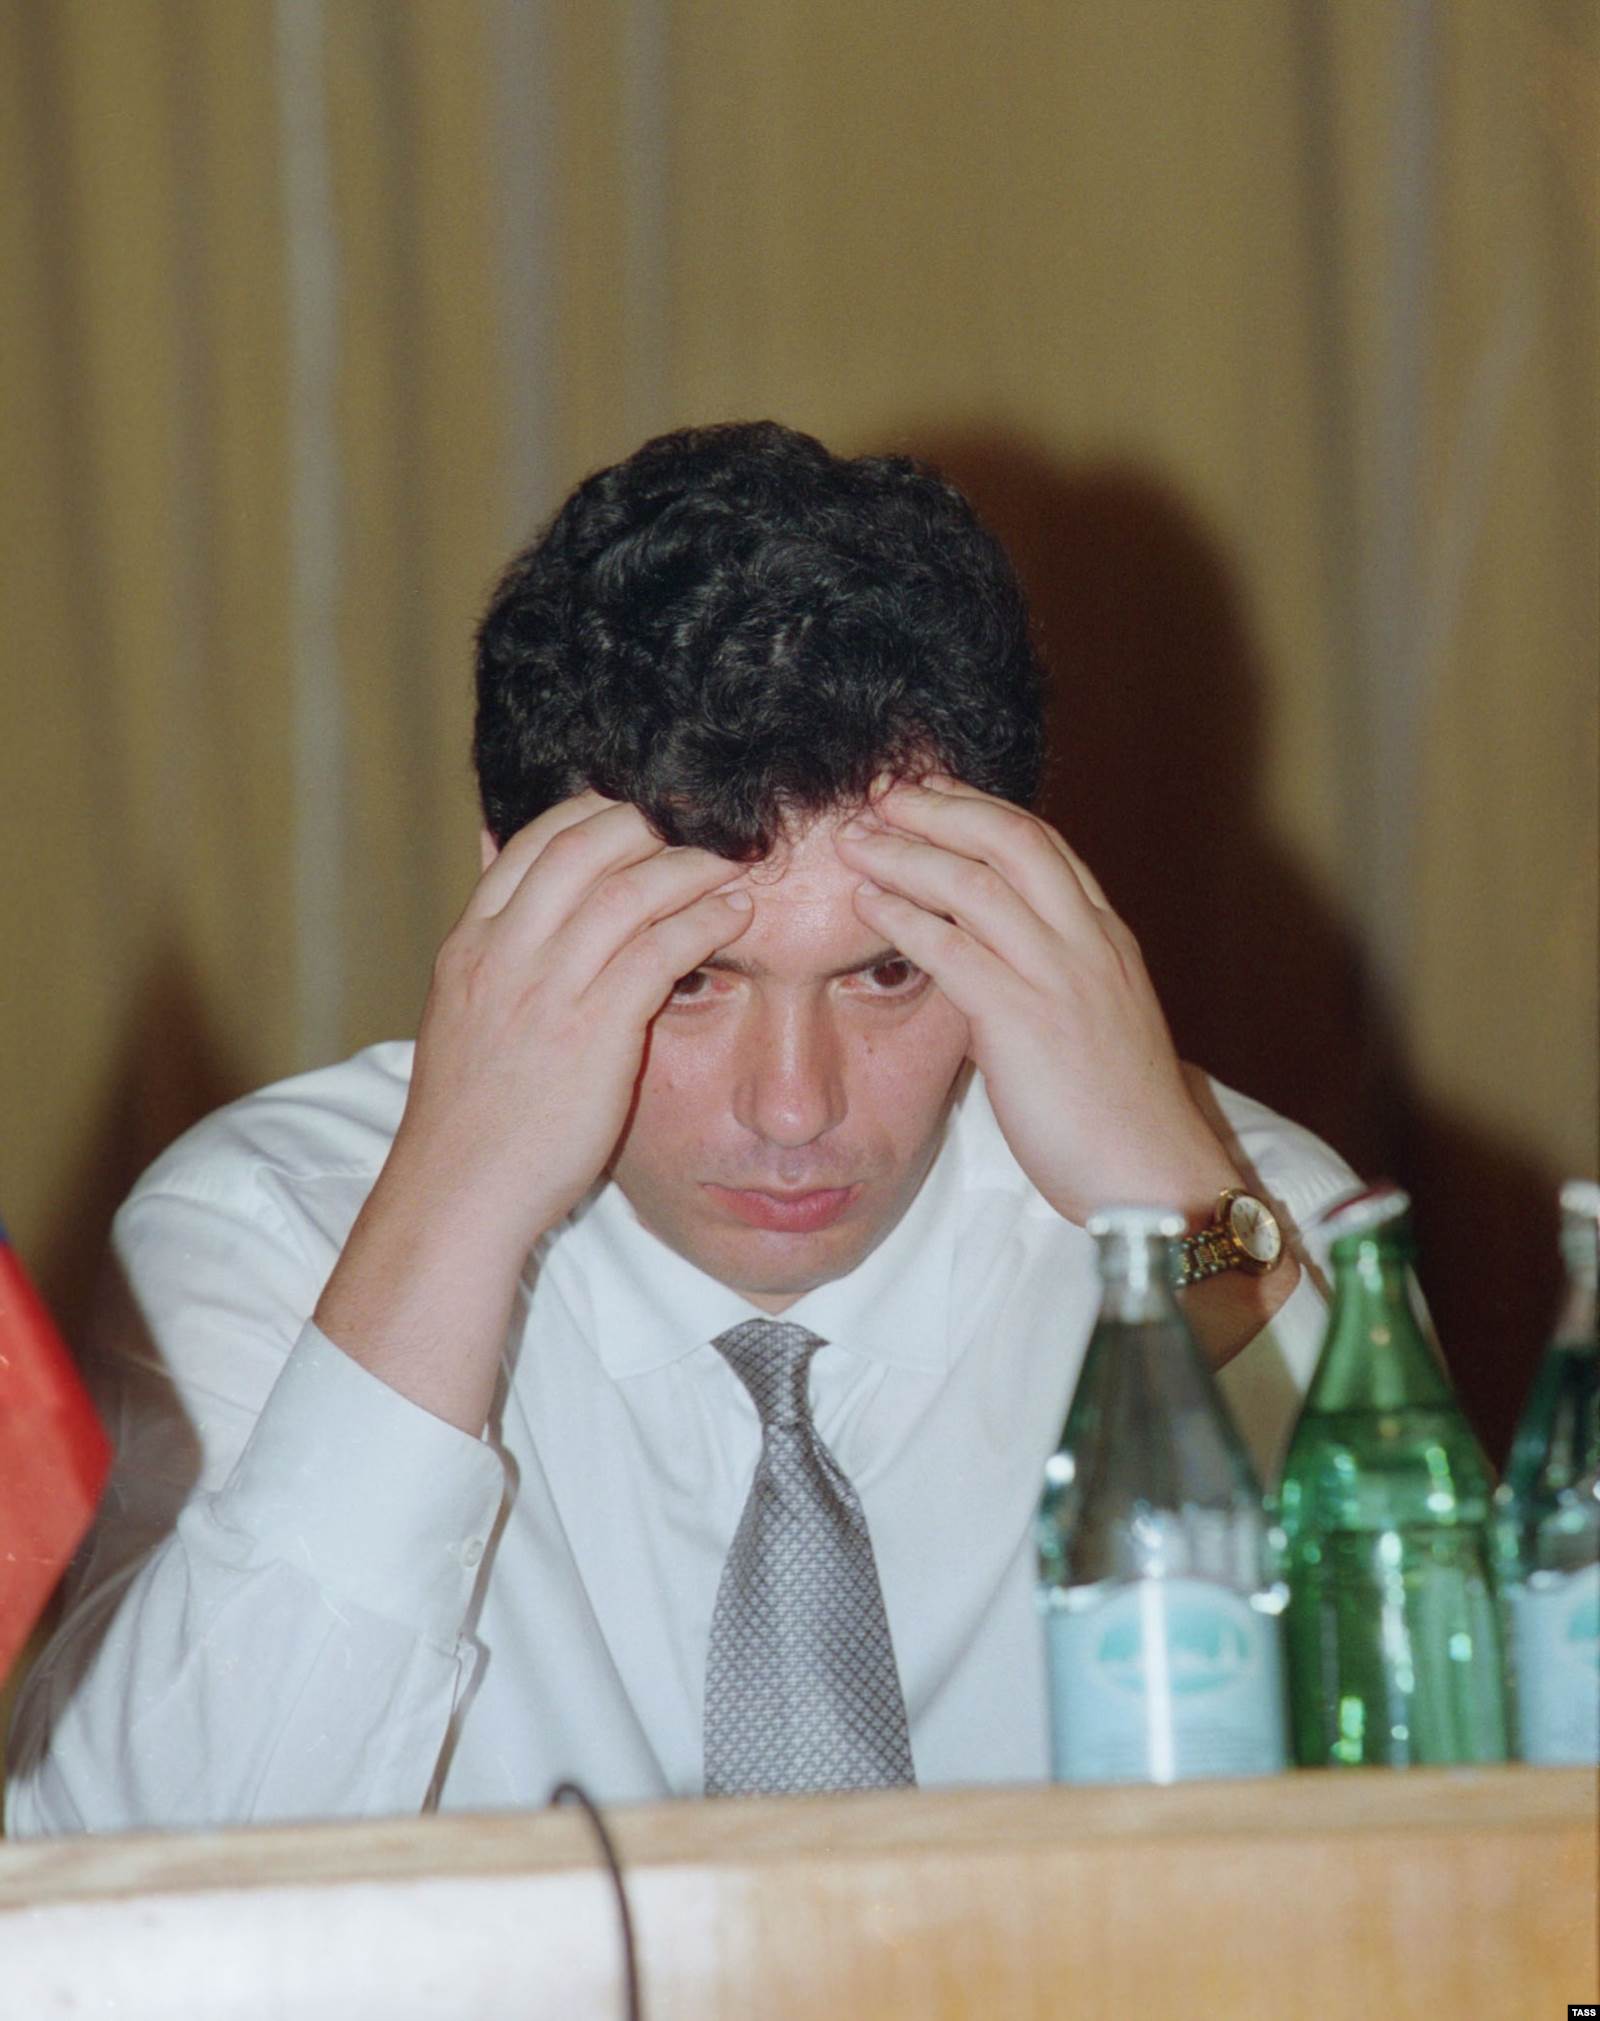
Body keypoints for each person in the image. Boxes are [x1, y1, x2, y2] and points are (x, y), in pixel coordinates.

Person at [6, 422, 1354, 1833]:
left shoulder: (1234, 1215)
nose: (795, 1107)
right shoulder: (269, 1233)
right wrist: (455, 1209)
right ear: (511, 900)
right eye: (692, 979)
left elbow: (1447, 1779)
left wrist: (1176, 1209)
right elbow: (120, 1887)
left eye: (886, 974)